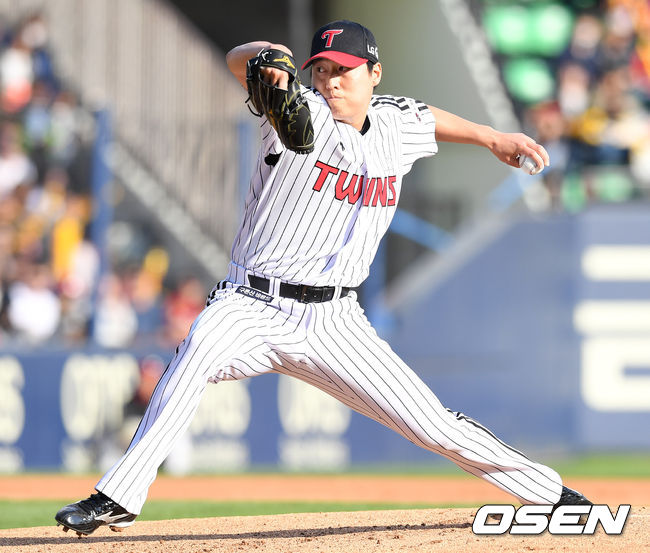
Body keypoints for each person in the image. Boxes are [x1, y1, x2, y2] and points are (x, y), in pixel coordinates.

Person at [55, 20, 591, 536]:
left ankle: (549, 494)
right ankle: (119, 496)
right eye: (322, 70)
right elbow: (238, 61)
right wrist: (268, 58)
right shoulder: (295, 110)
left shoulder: (395, 123)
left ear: (374, 74)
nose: (331, 81)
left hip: (336, 320)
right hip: (252, 302)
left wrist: (490, 136)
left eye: (344, 70)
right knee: (196, 351)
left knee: (431, 424)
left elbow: (426, 117)